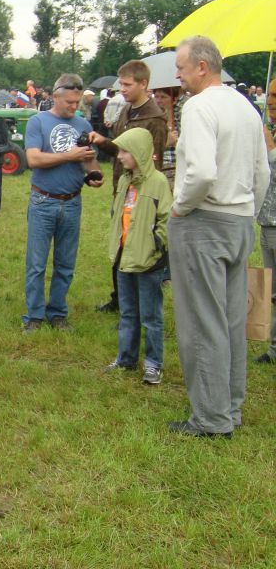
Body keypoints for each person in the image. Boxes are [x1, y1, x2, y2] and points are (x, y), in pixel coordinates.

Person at [167, 36, 270, 438]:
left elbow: (202, 172)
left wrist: (182, 207)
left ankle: (211, 419)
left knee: (201, 323)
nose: (177, 73)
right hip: (240, 221)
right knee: (230, 322)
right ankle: (229, 409)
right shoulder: (245, 107)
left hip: (203, 220)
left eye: (181, 66)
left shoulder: (199, 106)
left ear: (202, 67)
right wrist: (247, 211)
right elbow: (262, 171)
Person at [22, 74, 105, 333]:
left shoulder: (82, 124)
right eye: (69, 101)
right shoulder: (38, 122)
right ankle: (34, 316)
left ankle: (57, 313)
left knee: (65, 263)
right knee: (36, 263)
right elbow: (33, 160)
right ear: (56, 96)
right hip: (43, 200)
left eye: (77, 101)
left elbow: (88, 161)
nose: (74, 106)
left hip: (71, 201)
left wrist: (93, 173)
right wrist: (69, 155)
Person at [89, 60, 168, 314]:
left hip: (141, 194)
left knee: (138, 247)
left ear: (143, 84)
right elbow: (123, 149)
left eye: (127, 84)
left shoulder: (155, 118)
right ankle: (119, 298)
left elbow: (150, 161)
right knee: (119, 243)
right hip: (121, 187)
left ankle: (134, 304)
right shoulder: (126, 110)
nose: (121, 89)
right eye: (120, 84)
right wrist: (103, 142)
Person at [102, 128, 171, 384]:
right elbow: (117, 214)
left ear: (139, 153)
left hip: (148, 262)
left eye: (124, 151)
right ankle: (126, 359)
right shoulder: (124, 181)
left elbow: (166, 219)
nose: (119, 156)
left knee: (151, 317)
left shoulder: (158, 183)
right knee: (128, 313)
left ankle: (154, 364)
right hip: (124, 258)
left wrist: (156, 245)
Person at [253, 126, 276, 364]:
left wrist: (270, 149)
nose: (270, 102)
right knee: (273, 292)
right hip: (267, 222)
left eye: (275, 97)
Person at [152, 86, 185, 191]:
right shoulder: (154, 120)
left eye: (163, 97)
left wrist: (177, 141)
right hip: (160, 165)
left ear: (174, 99)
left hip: (179, 166)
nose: (159, 100)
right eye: (156, 96)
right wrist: (166, 142)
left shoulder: (181, 117)